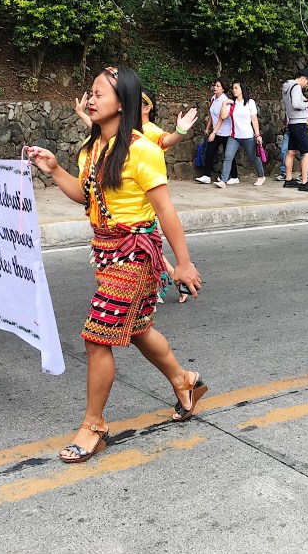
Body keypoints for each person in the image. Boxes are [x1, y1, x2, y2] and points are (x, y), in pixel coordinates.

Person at [28, 66, 206, 463]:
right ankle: (184, 381)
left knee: (97, 336)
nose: (90, 100)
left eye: (99, 94)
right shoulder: (91, 150)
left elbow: (166, 209)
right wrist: (55, 169)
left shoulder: (143, 149)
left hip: (136, 255)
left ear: (122, 102)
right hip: (106, 254)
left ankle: (94, 425)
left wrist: (183, 264)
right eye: (89, 93)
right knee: (139, 329)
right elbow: (85, 196)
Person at [77, 88, 198, 302]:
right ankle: (170, 280)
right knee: (150, 248)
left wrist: (180, 131)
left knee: (144, 243)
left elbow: (167, 141)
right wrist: (82, 114)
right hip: (125, 194)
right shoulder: (118, 129)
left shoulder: (147, 130)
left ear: (147, 107)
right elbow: (100, 131)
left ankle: (164, 281)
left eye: (139, 101)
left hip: (144, 193)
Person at [215, 81, 266, 187]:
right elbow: (223, 116)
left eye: (236, 88)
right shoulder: (231, 104)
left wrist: (258, 135)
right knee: (228, 157)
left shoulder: (250, 102)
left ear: (242, 89)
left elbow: (254, 120)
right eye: (233, 88)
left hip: (248, 136)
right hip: (234, 136)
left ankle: (261, 176)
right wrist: (224, 103)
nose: (234, 90)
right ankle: (223, 181)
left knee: (253, 157)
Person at [282, 69, 308, 192]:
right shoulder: (296, 87)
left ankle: (288, 179)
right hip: (299, 124)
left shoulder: (287, 86)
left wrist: (305, 102)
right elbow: (297, 104)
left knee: (291, 151)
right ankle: (304, 182)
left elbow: (292, 103)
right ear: (302, 78)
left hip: (292, 122)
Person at [196, 80, 238, 184]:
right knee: (209, 152)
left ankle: (234, 176)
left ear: (223, 89)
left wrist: (213, 132)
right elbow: (211, 114)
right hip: (216, 132)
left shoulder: (225, 101)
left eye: (218, 86)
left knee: (229, 155)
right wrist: (208, 127)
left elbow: (221, 118)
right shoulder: (213, 99)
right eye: (214, 85)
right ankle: (207, 175)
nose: (215, 87)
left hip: (226, 133)